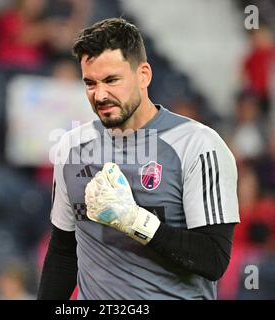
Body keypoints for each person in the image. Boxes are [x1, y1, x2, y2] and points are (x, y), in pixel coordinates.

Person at [37, 18, 240, 300]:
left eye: (111, 80)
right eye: (90, 83)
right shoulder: (72, 147)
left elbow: (213, 259)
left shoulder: (199, 146)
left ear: (143, 75)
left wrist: (134, 221)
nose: (100, 94)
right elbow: (63, 250)